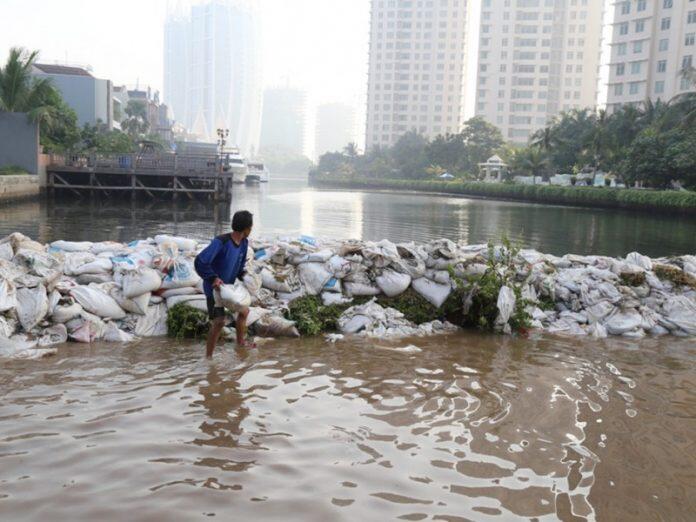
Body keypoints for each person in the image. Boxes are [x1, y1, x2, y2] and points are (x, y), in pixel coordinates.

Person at [194, 210, 255, 357]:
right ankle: (208, 357)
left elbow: (239, 265)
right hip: (214, 289)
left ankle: (240, 342)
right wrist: (213, 278)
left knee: (244, 311)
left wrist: (244, 275)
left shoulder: (244, 243)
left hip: (228, 289)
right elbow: (200, 261)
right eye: (250, 227)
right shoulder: (221, 242)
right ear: (245, 228)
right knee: (219, 322)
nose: (251, 230)